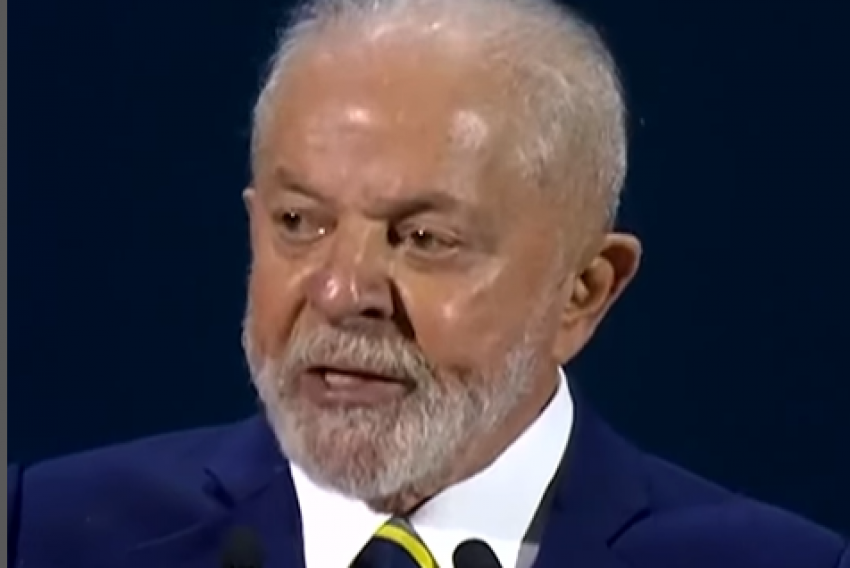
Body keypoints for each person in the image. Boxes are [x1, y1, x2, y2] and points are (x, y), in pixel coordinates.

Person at [8, 0, 849, 566]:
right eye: (300, 222)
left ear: (583, 292)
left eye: (423, 239)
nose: (342, 292)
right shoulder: (42, 532)